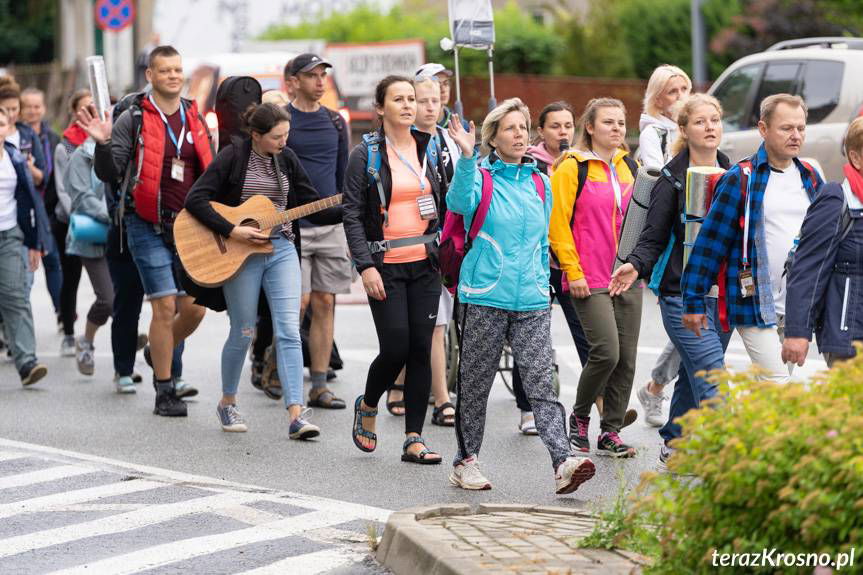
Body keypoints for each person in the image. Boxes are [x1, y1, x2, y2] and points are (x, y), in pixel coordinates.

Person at [445, 98, 596, 493]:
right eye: (508, 128)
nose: (517, 134)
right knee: (475, 384)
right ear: (492, 137)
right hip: (484, 295)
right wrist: (464, 157)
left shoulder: (538, 182)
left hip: (531, 298)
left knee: (541, 383)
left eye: (522, 128)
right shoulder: (479, 176)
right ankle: (465, 461)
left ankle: (563, 461)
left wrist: (544, 282)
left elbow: (545, 237)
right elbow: (458, 204)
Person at [84, 45, 212, 416]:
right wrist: (104, 143)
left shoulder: (195, 116)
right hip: (146, 224)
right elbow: (108, 173)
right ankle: (165, 389)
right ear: (150, 76)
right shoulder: (134, 118)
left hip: (190, 227)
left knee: (195, 309)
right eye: (165, 70)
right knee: (163, 305)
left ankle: (156, 350)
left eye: (177, 69)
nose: (173, 75)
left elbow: (211, 172)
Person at [185, 103, 323, 438]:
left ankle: (296, 413)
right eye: (277, 136)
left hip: (281, 248)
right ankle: (228, 401)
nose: (284, 142)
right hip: (241, 252)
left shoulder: (286, 159)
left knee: (289, 329)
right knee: (244, 329)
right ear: (256, 135)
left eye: (287, 135)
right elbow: (196, 199)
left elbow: (312, 203)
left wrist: (351, 206)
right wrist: (233, 230)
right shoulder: (233, 157)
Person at [610, 94, 732, 465]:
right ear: (683, 129)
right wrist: (635, 264)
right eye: (700, 121)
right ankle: (733, 458)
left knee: (697, 372)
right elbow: (653, 236)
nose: (710, 127)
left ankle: (675, 441)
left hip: (722, 295)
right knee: (712, 376)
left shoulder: (734, 175)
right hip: (681, 293)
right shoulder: (671, 180)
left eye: (715, 120)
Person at [681, 94, 822, 384]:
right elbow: (709, 243)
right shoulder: (741, 177)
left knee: (770, 394)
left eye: (801, 128)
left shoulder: (810, 175)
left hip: (796, 303)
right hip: (754, 300)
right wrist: (693, 302)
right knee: (778, 383)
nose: (795, 135)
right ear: (763, 129)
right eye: (786, 128)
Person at [344, 76, 444, 464]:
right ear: (381, 107)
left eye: (412, 99)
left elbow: (447, 202)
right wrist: (364, 266)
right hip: (384, 265)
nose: (408, 105)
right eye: (398, 99)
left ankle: (414, 438)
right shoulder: (365, 154)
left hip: (425, 264)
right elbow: (352, 215)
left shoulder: (430, 149)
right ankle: (368, 404)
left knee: (421, 347)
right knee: (397, 346)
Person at [550, 98, 641, 458]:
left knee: (627, 359)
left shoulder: (628, 166)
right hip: (589, 275)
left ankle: (611, 431)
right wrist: (572, 271)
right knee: (606, 352)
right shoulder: (573, 167)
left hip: (626, 275)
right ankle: (581, 415)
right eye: (608, 123)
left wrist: (637, 265)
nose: (617, 129)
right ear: (589, 127)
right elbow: (557, 224)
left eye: (621, 123)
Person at [518, 100, 592, 435]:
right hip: (536, 260)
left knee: (587, 335)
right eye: (555, 126)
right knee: (532, 338)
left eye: (567, 126)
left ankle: (596, 406)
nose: (562, 132)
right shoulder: (528, 162)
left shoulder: (579, 162)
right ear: (541, 131)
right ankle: (528, 409)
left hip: (569, 261)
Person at [284, 53, 349, 409]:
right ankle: (286, 375)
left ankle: (320, 385)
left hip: (330, 226)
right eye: (312, 75)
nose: (320, 81)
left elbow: (343, 177)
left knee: (325, 301)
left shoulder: (336, 123)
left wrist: (350, 223)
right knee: (298, 303)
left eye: (323, 74)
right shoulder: (283, 120)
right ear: (292, 81)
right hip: (292, 227)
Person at [635, 64, 692, 427]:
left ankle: (655, 386)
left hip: (696, 225)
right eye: (673, 92)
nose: (681, 97)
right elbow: (662, 176)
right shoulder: (653, 133)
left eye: (685, 88)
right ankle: (658, 388)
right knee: (689, 320)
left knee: (699, 320)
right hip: (670, 232)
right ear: (658, 98)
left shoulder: (693, 127)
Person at [782, 116, 863, 368]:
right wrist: (797, 331)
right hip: (851, 338)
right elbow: (809, 268)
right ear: (856, 157)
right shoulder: (836, 199)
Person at [0, 108, 51, 386]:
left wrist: (34, 243)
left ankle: (27, 362)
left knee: (16, 296)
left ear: (8, 128)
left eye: (1, 124)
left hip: (9, 235)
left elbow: (30, 200)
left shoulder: (15, 158)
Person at [64, 138, 114, 377]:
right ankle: (86, 341)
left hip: (124, 236)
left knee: (126, 301)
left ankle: (124, 362)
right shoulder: (80, 156)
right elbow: (81, 197)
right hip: (92, 236)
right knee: (108, 299)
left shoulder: (127, 148)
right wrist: (112, 215)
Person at [54, 90, 91, 357]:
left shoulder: (105, 137)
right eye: (84, 108)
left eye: (94, 106)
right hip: (70, 221)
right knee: (71, 277)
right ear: (75, 113)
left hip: (99, 216)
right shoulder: (65, 145)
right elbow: (62, 189)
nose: (89, 111)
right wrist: (80, 215)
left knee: (109, 282)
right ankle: (68, 331)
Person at [21, 87, 63, 324]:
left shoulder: (55, 138)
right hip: (24, 210)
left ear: (44, 108)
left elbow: (66, 163)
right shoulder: (13, 136)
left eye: (37, 106)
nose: (33, 111)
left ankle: (61, 311)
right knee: (23, 270)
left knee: (53, 262)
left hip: (50, 210)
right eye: (28, 106)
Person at [415, 63, 468, 132]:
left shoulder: (461, 124)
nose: (443, 89)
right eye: (437, 83)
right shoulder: (408, 125)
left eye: (446, 83)